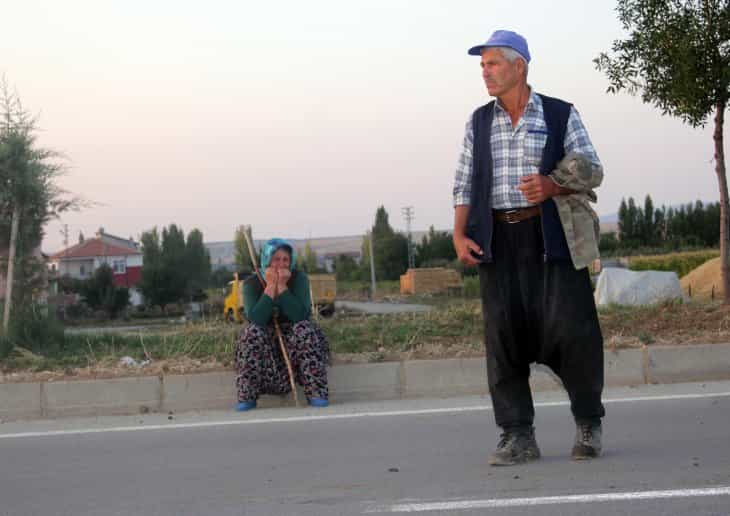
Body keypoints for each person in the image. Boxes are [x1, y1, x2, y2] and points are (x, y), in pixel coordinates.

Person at [452, 30, 605, 465]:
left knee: (574, 333)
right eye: (482, 66)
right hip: (497, 240)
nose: (485, 72)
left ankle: (589, 422)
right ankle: (517, 434)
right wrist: (460, 234)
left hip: (551, 238)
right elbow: (463, 183)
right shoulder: (479, 121)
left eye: (492, 63)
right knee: (502, 338)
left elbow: (592, 168)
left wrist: (553, 184)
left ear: (519, 66)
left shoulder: (559, 114)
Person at [234, 238, 329, 410]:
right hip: (266, 341)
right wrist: (270, 287)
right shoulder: (251, 284)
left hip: (294, 338)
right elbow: (256, 318)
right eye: (276, 259)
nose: (281, 264)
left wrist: (283, 287)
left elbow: (300, 315)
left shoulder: (298, 279)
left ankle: (316, 393)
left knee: (304, 329)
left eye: (285, 259)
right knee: (251, 333)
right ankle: (246, 397)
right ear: (267, 260)